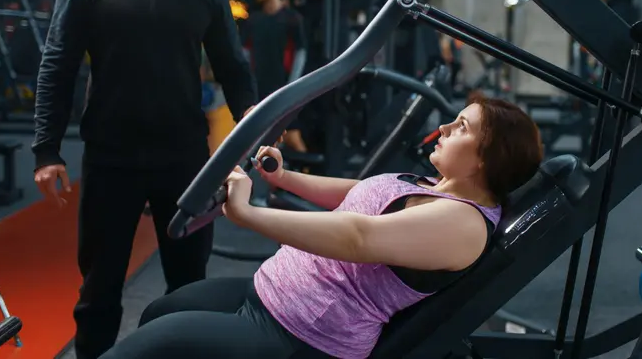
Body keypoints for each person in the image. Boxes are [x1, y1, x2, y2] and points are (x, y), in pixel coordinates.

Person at [98, 95, 543, 359]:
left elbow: (358, 237)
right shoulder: (436, 185)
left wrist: (250, 215)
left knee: (146, 348)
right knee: (162, 311)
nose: (444, 127)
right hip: (269, 294)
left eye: (461, 126)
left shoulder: (463, 223)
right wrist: (284, 178)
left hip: (302, 335)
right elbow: (360, 192)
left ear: (487, 157)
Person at [31, 0, 258, 358]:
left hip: (185, 162)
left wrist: (256, 135)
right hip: (111, 159)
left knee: (188, 290)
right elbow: (57, 68)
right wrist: (46, 151)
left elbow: (236, 74)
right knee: (99, 292)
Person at [240, 0, 308, 153]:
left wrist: (292, 87)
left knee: (293, 137)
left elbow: (301, 54)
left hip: (284, 90)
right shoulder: (253, 20)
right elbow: (244, 55)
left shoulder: (292, 19)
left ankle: (308, 178)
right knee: (258, 141)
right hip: (259, 92)